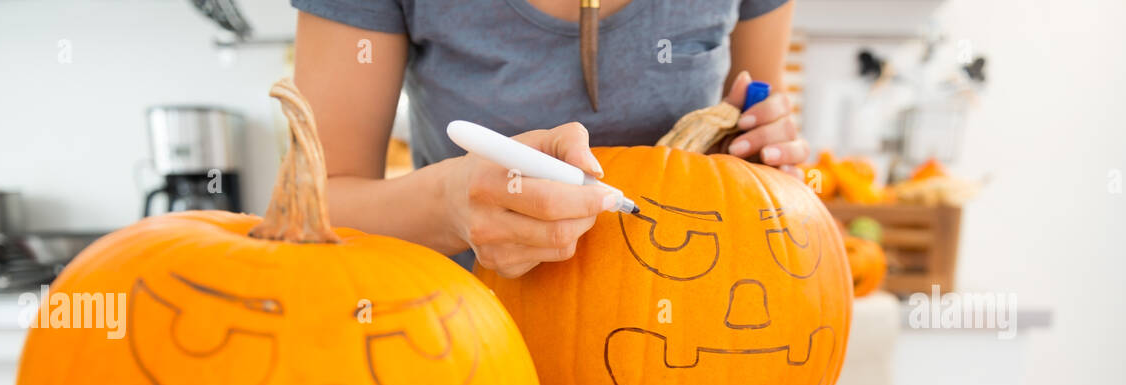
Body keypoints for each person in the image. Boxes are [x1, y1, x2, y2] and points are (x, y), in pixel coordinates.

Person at [291, 1, 806, 277]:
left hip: (691, 333)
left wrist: (761, 165)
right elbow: (313, 205)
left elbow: (756, 129)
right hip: (466, 349)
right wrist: (449, 205)